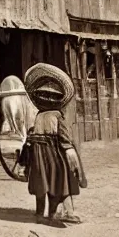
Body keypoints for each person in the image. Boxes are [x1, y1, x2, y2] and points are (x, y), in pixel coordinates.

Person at [21, 63, 87, 226]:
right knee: (57, 181)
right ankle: (52, 215)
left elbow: (32, 133)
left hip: (38, 154)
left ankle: (39, 213)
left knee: (41, 183)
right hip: (53, 154)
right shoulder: (57, 115)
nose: (48, 98)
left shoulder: (39, 115)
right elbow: (63, 137)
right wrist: (70, 151)